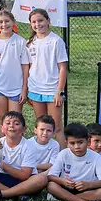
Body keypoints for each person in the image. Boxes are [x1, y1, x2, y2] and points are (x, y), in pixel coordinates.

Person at [0, 110, 48, 201]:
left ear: (24, 129)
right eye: (8, 123)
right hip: (2, 178)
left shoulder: (29, 146)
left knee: (42, 179)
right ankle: (16, 195)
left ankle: (4, 194)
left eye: (16, 123)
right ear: (2, 128)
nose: (11, 126)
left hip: (23, 181)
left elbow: (24, 175)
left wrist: (3, 165)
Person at [46, 123, 101, 201]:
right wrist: (62, 181)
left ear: (88, 141)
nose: (77, 147)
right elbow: (51, 176)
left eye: (80, 142)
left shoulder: (96, 157)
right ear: (67, 143)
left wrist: (88, 184)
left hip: (86, 189)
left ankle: (61, 198)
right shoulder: (63, 154)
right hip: (66, 187)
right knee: (51, 185)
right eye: (72, 143)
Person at [26, 8, 68, 141]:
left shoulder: (56, 41)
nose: (37, 24)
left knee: (56, 128)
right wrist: (28, 89)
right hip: (36, 89)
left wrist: (59, 91)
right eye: (34, 22)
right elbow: (30, 67)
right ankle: (43, 156)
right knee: (41, 128)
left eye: (41, 20)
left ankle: (62, 159)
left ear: (48, 21)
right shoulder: (30, 42)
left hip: (52, 90)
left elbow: (62, 68)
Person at [0, 10, 30, 119]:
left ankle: (16, 137)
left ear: (13, 22)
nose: (4, 25)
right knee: (2, 118)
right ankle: (2, 137)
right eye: (1, 22)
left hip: (16, 88)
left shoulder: (21, 42)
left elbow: (25, 66)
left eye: (7, 21)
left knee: (15, 119)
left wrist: (24, 89)